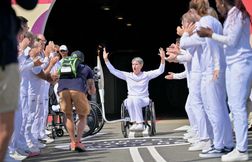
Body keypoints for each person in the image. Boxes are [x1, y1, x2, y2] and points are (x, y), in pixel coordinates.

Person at [197, 0, 252, 161]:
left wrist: (210, 34)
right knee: (233, 106)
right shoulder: (232, 15)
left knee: (238, 107)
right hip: (233, 65)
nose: (217, 7)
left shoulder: (238, 14)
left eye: (218, 3)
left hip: (240, 64)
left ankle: (242, 150)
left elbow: (231, 40)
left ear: (223, 2)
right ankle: (239, 148)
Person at [0, 0, 38, 161]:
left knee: (16, 121)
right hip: (6, 63)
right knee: (9, 123)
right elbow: (29, 3)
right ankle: (10, 151)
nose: (26, 33)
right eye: (25, 29)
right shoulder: (19, 46)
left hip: (9, 66)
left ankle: (12, 150)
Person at [103, 47, 165, 131]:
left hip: (144, 99)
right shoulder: (128, 75)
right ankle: (134, 122)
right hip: (131, 98)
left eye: (136, 64)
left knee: (135, 100)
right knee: (128, 101)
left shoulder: (146, 75)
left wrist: (162, 59)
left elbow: (160, 71)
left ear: (141, 65)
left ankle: (140, 123)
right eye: (133, 64)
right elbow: (113, 71)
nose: (134, 66)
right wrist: (106, 60)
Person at [57, 50, 96, 152]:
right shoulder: (86, 68)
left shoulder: (64, 66)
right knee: (82, 116)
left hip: (62, 89)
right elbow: (91, 86)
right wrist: (91, 90)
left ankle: (72, 142)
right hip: (77, 90)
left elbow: (56, 77)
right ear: (81, 59)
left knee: (68, 115)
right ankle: (78, 142)